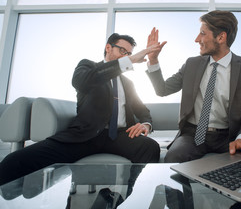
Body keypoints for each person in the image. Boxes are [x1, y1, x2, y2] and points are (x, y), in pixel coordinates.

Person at [0, 33, 163, 185]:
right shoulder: (88, 67)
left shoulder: (128, 84)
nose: (126, 55)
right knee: (14, 162)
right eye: (123, 51)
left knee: (150, 147)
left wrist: (145, 124)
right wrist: (131, 60)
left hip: (120, 136)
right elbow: (82, 82)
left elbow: (143, 111)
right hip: (85, 136)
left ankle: (127, 192)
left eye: (128, 53)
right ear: (108, 47)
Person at [146, 10, 241, 163]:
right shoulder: (192, 64)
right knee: (174, 157)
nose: (197, 39)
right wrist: (153, 60)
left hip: (228, 136)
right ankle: (182, 188)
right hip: (193, 134)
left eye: (203, 33)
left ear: (221, 37)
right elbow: (162, 90)